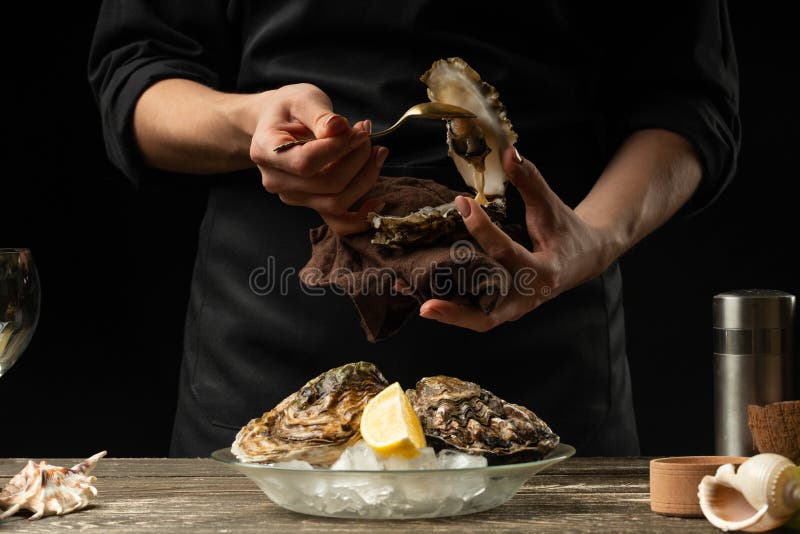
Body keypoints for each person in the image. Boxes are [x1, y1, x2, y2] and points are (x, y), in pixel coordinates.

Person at [88, 1, 739, 456]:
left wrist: (594, 236)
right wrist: (249, 124)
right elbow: (138, 75)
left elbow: (686, 97)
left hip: (541, 356)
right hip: (269, 364)